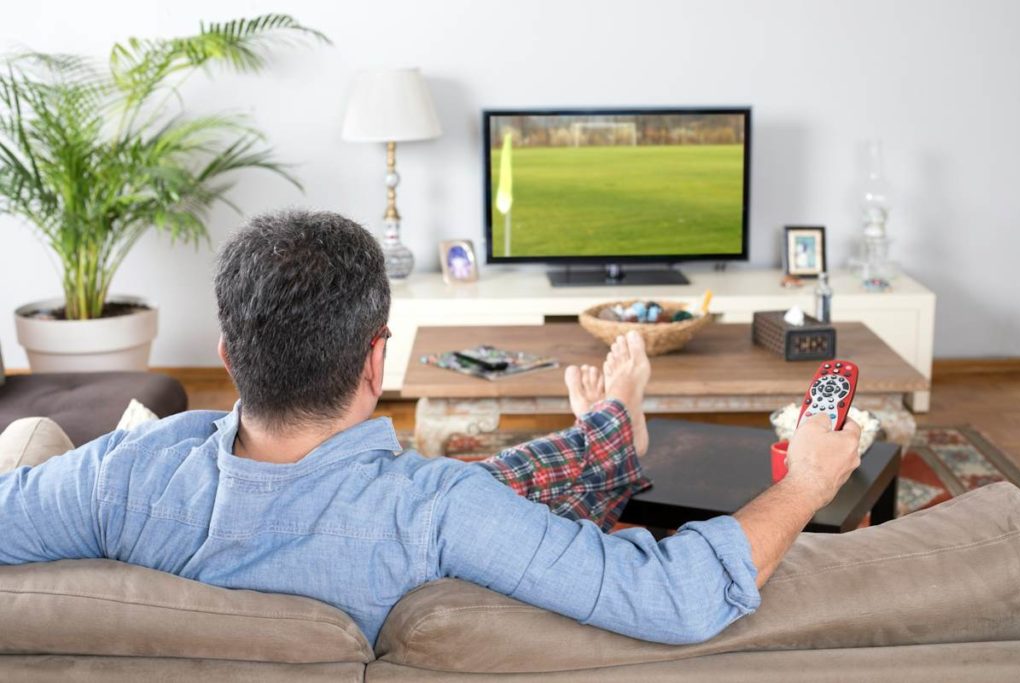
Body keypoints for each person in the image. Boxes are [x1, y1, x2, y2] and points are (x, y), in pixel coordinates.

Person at [0, 210, 866, 646]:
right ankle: (614, 435)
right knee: (496, 483)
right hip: (420, 517)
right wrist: (808, 480)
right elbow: (673, 596)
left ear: (230, 352)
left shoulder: (124, 472)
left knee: (505, 474)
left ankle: (609, 434)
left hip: (354, 504)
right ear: (376, 363)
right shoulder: (436, 506)